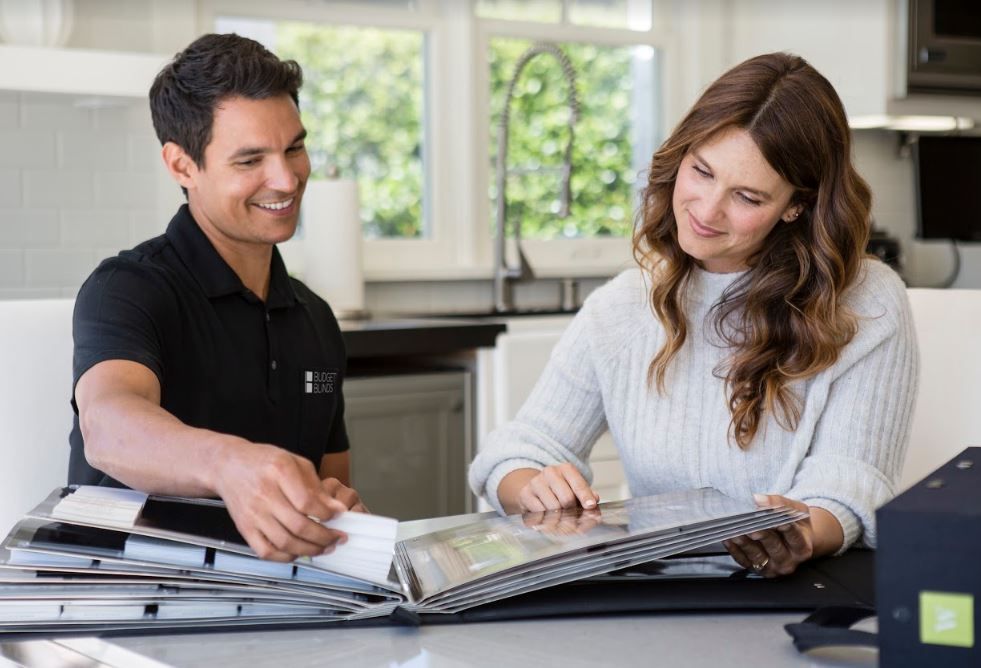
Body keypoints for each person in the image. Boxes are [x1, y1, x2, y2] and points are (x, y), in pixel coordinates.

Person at [468, 52, 919, 578]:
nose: (706, 211)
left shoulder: (866, 303)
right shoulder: (623, 305)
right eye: (701, 171)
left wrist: (800, 533)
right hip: (657, 597)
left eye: (747, 197)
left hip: (800, 589)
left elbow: (852, 481)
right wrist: (531, 483)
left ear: (797, 205)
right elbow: (517, 448)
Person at [69, 33, 366, 563]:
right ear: (183, 166)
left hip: (273, 604)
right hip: (122, 599)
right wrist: (229, 464)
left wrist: (331, 512)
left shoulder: (316, 323)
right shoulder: (128, 289)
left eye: (294, 147)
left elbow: (330, 479)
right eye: (250, 160)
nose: (286, 178)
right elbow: (108, 426)